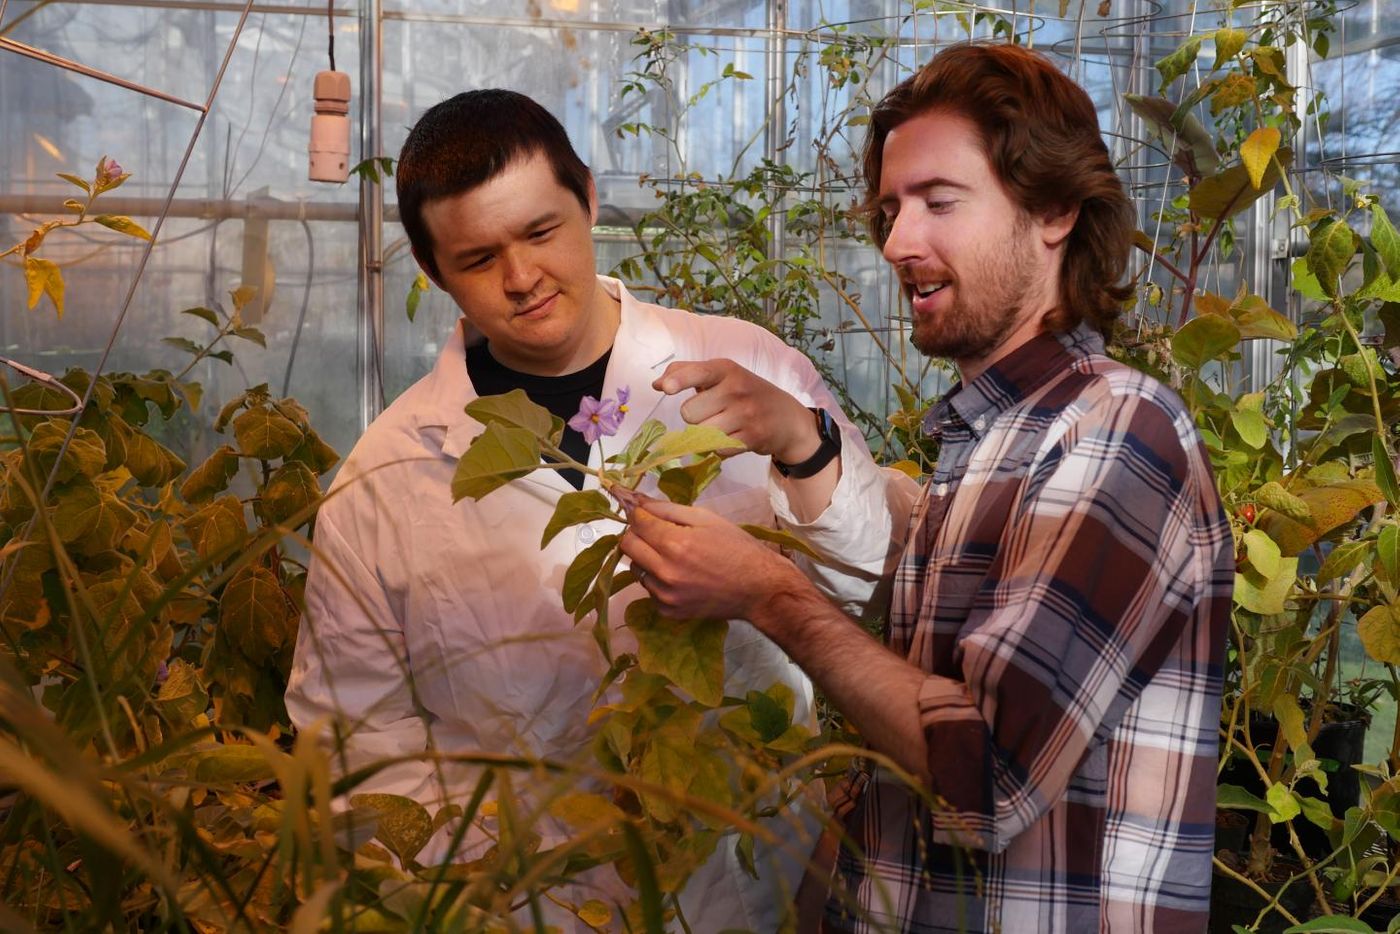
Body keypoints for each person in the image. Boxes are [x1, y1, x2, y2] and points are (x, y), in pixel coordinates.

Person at [620, 42, 1233, 932]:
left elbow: (988, 775)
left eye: (940, 202)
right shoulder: (988, 440)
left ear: (1056, 209)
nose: (899, 243)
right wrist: (801, 439)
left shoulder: (1117, 434)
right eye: (890, 209)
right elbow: (918, 667)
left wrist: (765, 591)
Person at [284, 89, 859, 930]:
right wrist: (492, 894)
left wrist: (805, 444)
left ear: (588, 197)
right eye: (478, 259)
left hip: (758, 889)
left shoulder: (741, 365)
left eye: (542, 232)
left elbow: (867, 594)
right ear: (432, 269)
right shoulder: (388, 478)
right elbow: (357, 743)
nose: (521, 280)